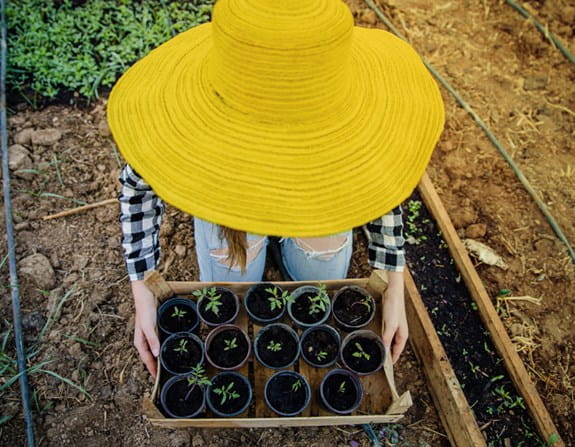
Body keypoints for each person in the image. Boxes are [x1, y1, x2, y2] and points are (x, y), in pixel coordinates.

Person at [108, 0, 445, 378]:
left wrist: (393, 283)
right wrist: (144, 293)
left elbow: (379, 186)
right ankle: (246, 254)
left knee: (323, 268)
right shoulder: (184, 126)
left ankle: (292, 257)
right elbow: (137, 189)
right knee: (231, 280)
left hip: (314, 194)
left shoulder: (349, 120)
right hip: (229, 195)